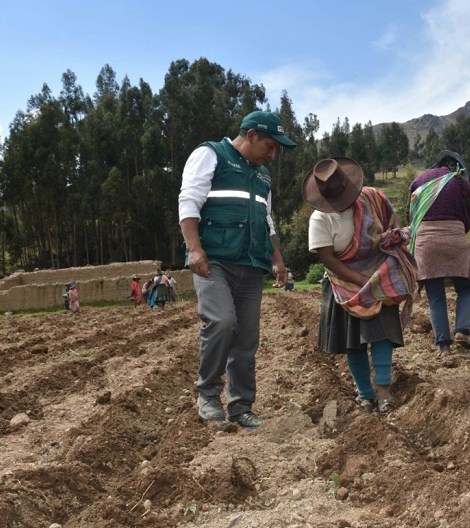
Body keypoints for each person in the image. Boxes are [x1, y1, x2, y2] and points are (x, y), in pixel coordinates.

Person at [178, 110, 295, 430]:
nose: (272, 154)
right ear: (252, 135)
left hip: (251, 264)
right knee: (221, 321)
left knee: (247, 338)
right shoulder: (209, 155)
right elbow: (189, 201)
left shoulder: (263, 176)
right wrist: (194, 248)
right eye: (270, 146)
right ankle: (208, 394)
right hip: (214, 259)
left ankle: (241, 406)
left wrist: (278, 259)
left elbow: (266, 219)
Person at [305, 157, 417, 415]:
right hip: (342, 280)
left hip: (378, 271)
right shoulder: (319, 219)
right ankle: (365, 395)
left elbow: (394, 223)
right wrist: (362, 283)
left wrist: (394, 245)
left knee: (381, 334)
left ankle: (385, 391)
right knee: (353, 341)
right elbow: (329, 259)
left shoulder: (372, 198)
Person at [407, 150, 470, 356]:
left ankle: (443, 346)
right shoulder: (460, 182)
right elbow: (469, 216)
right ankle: (462, 331)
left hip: (426, 242)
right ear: (455, 166)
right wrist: (458, 230)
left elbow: (411, 215)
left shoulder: (418, 181)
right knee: (466, 286)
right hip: (455, 238)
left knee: (435, 295)